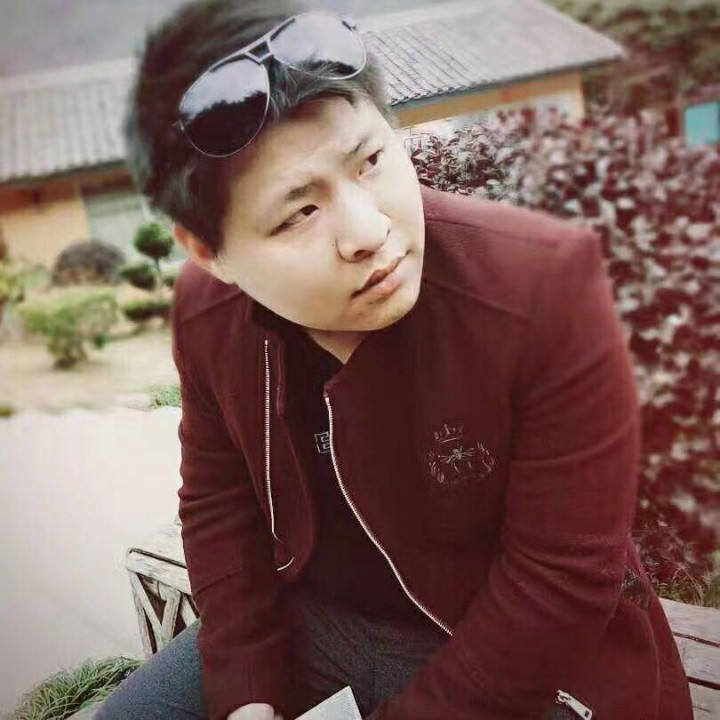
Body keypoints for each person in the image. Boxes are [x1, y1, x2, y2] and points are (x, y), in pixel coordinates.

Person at [98, 1, 693, 718]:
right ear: (208, 251)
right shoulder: (206, 314)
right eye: (299, 212)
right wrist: (246, 694)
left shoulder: (544, 286)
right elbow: (219, 508)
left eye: (371, 161)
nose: (369, 231)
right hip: (317, 626)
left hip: (523, 654)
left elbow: (560, 582)